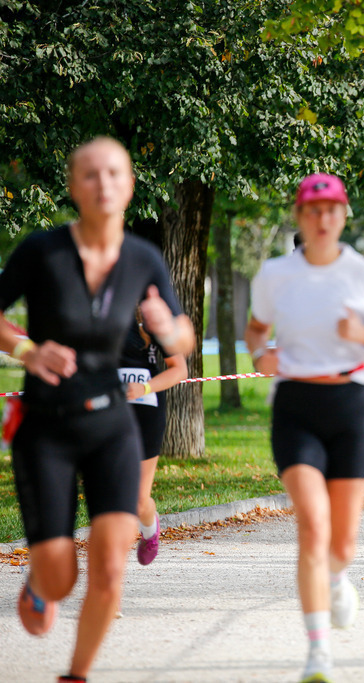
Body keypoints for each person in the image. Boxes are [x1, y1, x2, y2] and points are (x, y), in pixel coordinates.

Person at [0, 137, 194, 682]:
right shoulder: (42, 251)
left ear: (130, 186)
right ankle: (43, 581)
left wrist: (165, 327)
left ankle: (76, 675)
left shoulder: (143, 258)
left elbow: (183, 335)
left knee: (110, 566)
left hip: (111, 423)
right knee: (61, 578)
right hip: (46, 427)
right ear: (73, 185)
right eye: (90, 174)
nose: (103, 183)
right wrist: (27, 349)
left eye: (114, 173)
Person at [245, 173, 364, 683]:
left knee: (340, 544)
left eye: (332, 211)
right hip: (296, 404)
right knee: (312, 526)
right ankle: (317, 653)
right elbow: (255, 328)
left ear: (343, 217)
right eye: (312, 211)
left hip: (349, 406)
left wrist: (362, 335)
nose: (322, 220)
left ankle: (339, 578)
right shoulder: (275, 274)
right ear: (300, 216)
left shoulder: (362, 275)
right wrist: (259, 354)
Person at [120, 308, 188, 566]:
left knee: (138, 498)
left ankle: (150, 532)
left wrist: (144, 387)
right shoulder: (98, 312)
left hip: (146, 407)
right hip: (109, 409)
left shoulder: (152, 319)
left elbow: (179, 369)